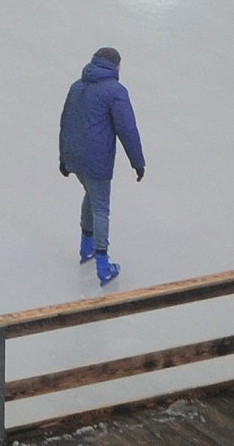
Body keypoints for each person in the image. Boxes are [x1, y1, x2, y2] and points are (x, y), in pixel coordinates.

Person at [58, 46, 146, 287]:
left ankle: (86, 246)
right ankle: (103, 264)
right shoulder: (115, 91)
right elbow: (127, 129)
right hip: (96, 160)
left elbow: (64, 121)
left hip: (74, 156)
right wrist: (138, 162)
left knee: (90, 194)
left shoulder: (76, 86)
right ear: (115, 65)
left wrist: (63, 158)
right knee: (101, 207)